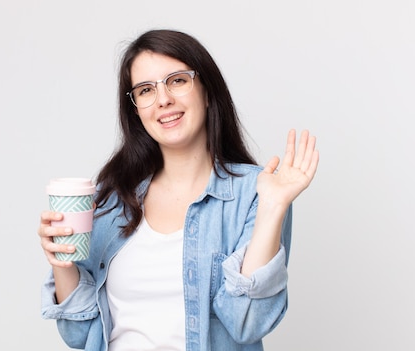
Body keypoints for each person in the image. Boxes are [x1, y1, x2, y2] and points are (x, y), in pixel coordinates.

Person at [38, 29, 319, 351]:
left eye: (177, 80)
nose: (163, 99)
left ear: (207, 90)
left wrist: (272, 208)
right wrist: (63, 263)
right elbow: (78, 335)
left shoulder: (256, 193)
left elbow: (247, 324)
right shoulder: (110, 197)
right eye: (145, 90)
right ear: (136, 110)